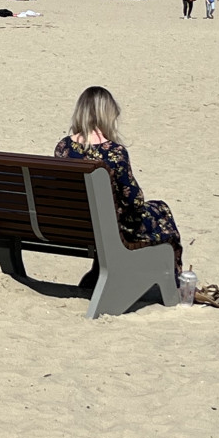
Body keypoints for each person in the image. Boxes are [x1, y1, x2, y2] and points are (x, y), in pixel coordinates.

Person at [54, 86, 184, 290]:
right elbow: (134, 201)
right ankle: (175, 285)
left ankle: (98, 272)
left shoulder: (63, 147)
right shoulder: (115, 152)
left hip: (75, 225)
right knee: (162, 211)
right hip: (111, 229)